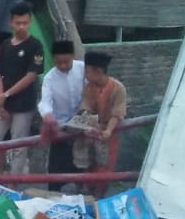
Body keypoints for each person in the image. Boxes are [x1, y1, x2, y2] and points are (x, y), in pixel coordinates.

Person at [0, 1, 44, 175]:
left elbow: (32, 75)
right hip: (2, 103)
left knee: (18, 146)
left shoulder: (35, 46)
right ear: (11, 22)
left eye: (25, 23)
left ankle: (15, 185)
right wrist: (1, 99)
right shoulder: (7, 45)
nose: (22, 27)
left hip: (23, 104)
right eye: (18, 23)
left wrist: (7, 94)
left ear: (30, 22)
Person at [73, 51, 126, 195]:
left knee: (105, 167)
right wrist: (82, 124)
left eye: (88, 71)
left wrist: (108, 130)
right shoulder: (88, 88)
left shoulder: (118, 88)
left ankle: (100, 196)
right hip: (93, 130)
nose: (85, 74)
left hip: (110, 132)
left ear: (99, 71)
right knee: (88, 164)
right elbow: (85, 107)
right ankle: (87, 192)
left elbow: (117, 113)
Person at [38, 40, 85, 188]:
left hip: (83, 125)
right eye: (59, 63)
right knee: (56, 171)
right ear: (53, 60)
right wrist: (47, 115)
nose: (63, 66)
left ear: (72, 56)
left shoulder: (83, 69)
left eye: (66, 61)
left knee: (83, 168)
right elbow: (45, 101)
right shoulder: (49, 78)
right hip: (61, 127)